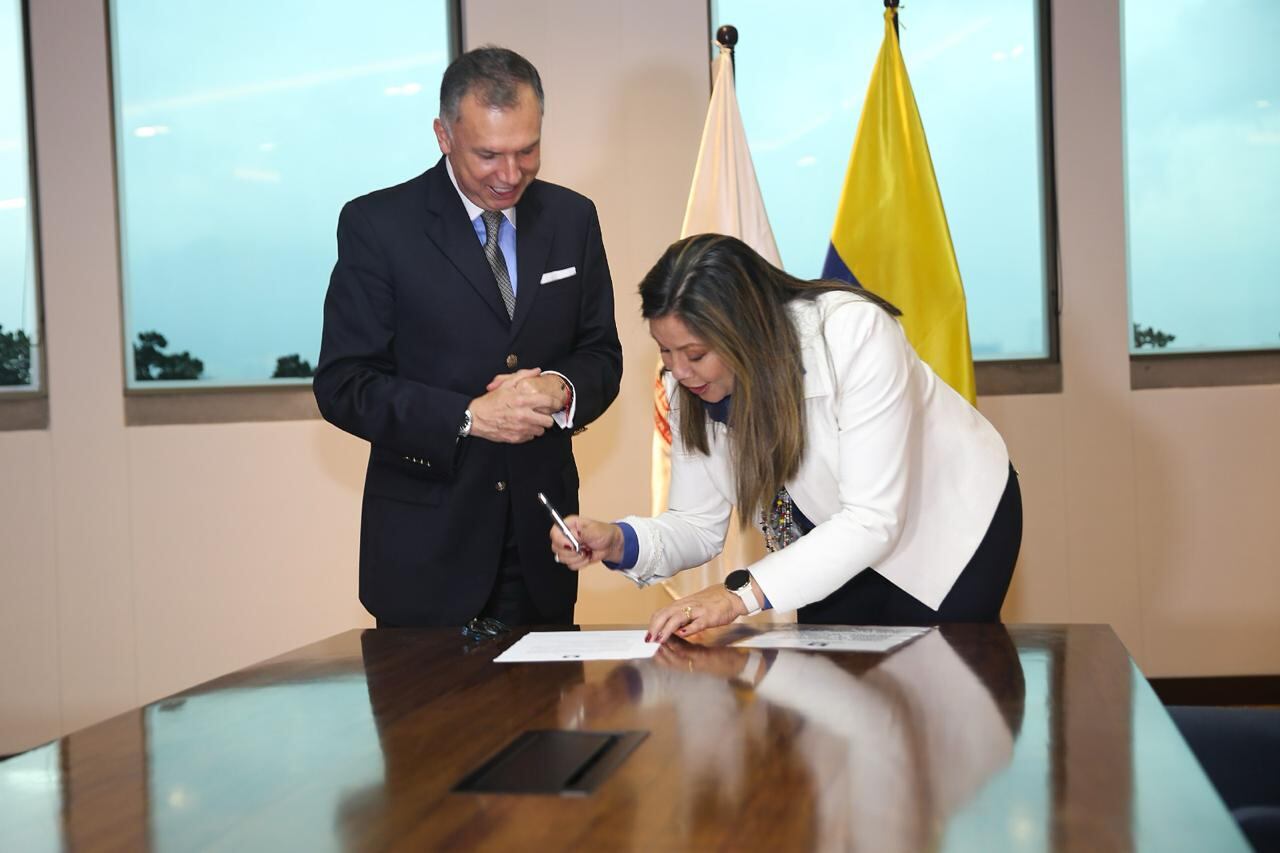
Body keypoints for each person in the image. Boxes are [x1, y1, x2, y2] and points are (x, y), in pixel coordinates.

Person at [551, 234, 1019, 641]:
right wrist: (619, 542)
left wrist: (739, 596)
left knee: (941, 689)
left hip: (945, 523)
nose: (677, 370)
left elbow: (873, 518)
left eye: (695, 353)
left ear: (743, 332)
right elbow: (696, 523)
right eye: (665, 351)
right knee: (842, 700)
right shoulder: (685, 383)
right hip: (825, 536)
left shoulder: (853, 333)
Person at [315, 46, 622, 627]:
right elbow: (343, 384)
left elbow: (602, 355)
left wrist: (560, 388)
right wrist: (468, 417)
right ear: (443, 135)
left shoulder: (572, 219)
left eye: (527, 150)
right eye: (489, 155)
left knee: (546, 718)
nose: (510, 175)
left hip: (542, 546)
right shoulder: (379, 226)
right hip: (426, 552)